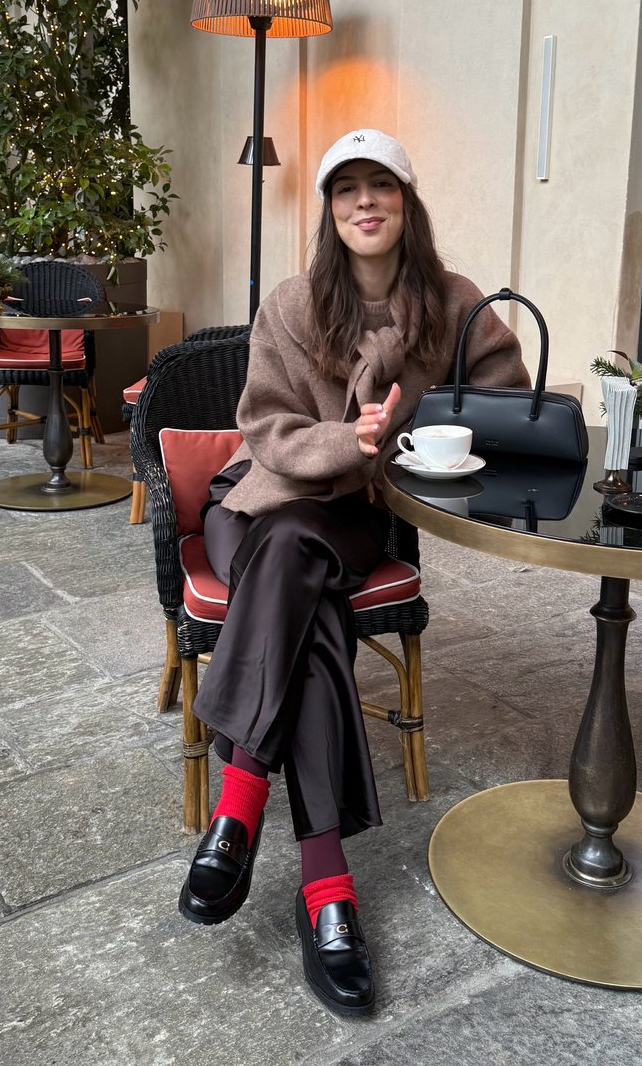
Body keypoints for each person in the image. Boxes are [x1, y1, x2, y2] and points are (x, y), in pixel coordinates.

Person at [177, 128, 530, 1015]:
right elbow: (263, 426)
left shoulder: (453, 303)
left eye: (383, 187)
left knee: (309, 570)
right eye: (347, 191)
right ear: (331, 213)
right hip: (254, 507)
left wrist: (434, 436)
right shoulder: (296, 304)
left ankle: (239, 806)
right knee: (307, 586)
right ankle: (326, 889)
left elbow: (507, 395)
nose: (365, 202)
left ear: (408, 205)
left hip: (352, 520)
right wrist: (352, 439)